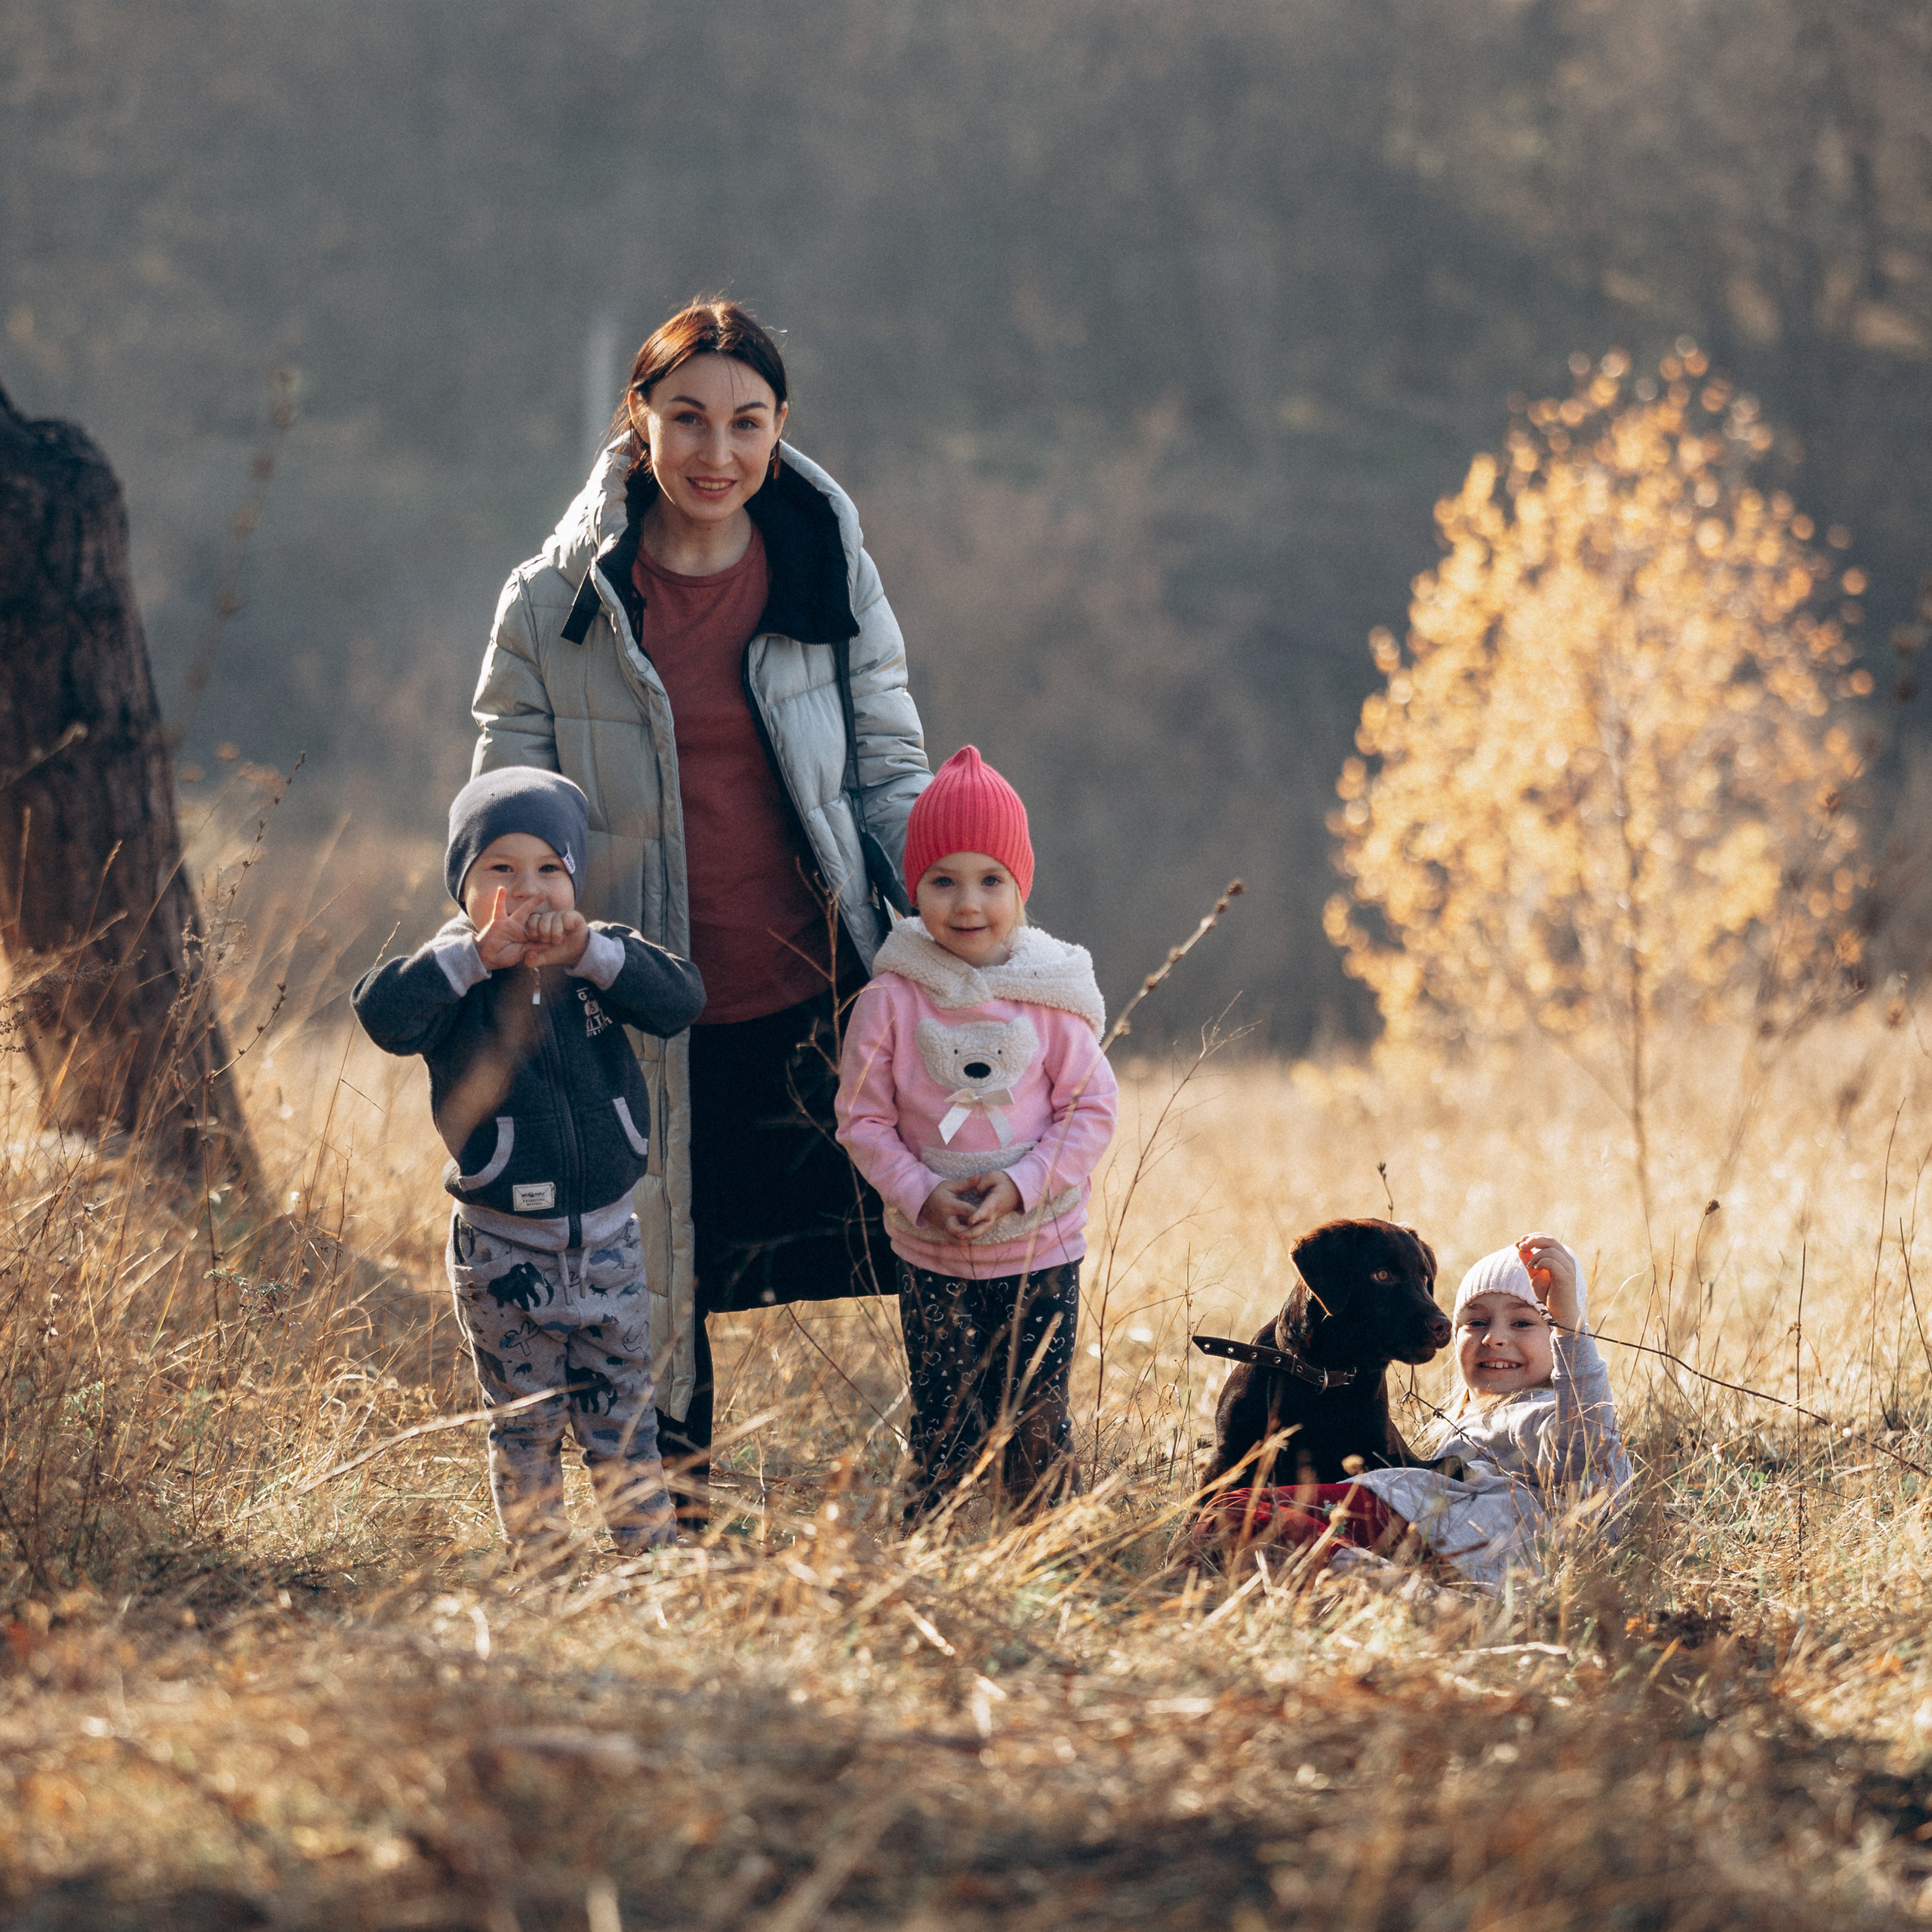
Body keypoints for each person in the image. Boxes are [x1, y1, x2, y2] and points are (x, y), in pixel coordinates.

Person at [470, 299, 929, 1524]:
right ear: (640, 422)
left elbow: (889, 766)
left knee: (943, 1242)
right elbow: (502, 801)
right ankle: (678, 1546)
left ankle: (974, 1504)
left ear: (780, 431)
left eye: (745, 422)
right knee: (656, 1281)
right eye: (688, 418)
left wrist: (954, 914)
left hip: (824, 999)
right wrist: (519, 914)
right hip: (639, 1009)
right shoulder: (555, 602)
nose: (716, 453)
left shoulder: (827, 569)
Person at [352, 768, 706, 1565]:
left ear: (574, 880)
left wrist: (590, 950)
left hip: (609, 1244)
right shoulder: (451, 975)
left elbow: (681, 1000)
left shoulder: (593, 958)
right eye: (499, 871)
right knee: (524, 1427)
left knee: (624, 1424)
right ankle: (544, 1577)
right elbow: (381, 1015)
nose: (527, 890)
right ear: (464, 886)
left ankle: (650, 1574)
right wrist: (472, 960)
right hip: (500, 1246)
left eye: (549, 868)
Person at [835, 747, 1119, 1518]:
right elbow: (862, 1118)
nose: (967, 903)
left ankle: (1048, 1550)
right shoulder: (892, 999)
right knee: (945, 1422)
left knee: (1034, 1416)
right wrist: (919, 1192)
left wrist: (1023, 1184)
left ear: (1020, 884)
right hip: (932, 1252)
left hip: (1040, 1248)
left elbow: (1091, 1110)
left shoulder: (1050, 996)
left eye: (990, 879)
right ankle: (934, 1554)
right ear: (912, 887)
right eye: (942, 881)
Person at [1198, 1235, 1630, 1588]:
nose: (1495, 1338)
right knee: (1232, 1527)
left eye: (1524, 1322)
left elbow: (1591, 1459)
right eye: (1476, 1323)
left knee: (1234, 1517)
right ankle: (1374, 1586)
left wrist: (1570, 1328)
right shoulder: (1464, 1426)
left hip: (1429, 1533)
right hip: (1410, 1535)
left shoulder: (1550, 1413)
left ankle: (1385, 1592)